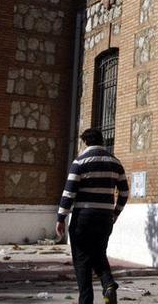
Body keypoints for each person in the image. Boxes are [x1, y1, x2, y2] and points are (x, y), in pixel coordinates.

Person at [56, 128, 129, 304]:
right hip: (105, 217)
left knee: (82, 260)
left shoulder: (80, 161)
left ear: (85, 142)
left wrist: (61, 218)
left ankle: (86, 300)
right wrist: (115, 213)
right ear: (101, 141)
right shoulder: (115, 162)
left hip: (83, 217)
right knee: (98, 253)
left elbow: (68, 193)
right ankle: (108, 284)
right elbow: (125, 192)